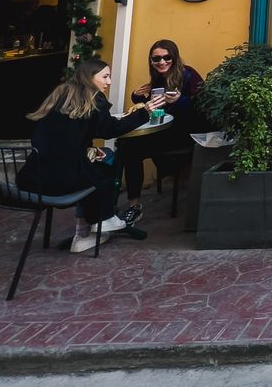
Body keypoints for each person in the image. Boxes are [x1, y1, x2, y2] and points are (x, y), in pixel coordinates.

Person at [19, 58, 165, 253]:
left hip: (33, 177)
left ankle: (85, 231)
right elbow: (111, 129)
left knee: (100, 159)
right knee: (106, 167)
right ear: (90, 77)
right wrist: (145, 111)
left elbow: (67, 134)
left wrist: (88, 149)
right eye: (105, 77)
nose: (109, 82)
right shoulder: (94, 98)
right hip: (63, 181)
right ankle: (102, 221)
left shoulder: (62, 94)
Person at [116, 39, 205, 226]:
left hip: (184, 135)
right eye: (156, 58)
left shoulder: (188, 75)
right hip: (162, 132)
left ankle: (124, 204)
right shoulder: (157, 78)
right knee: (126, 146)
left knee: (129, 147)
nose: (162, 62)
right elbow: (156, 108)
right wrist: (137, 97)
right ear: (151, 60)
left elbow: (202, 110)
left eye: (167, 57)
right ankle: (132, 205)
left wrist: (181, 101)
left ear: (174, 57)